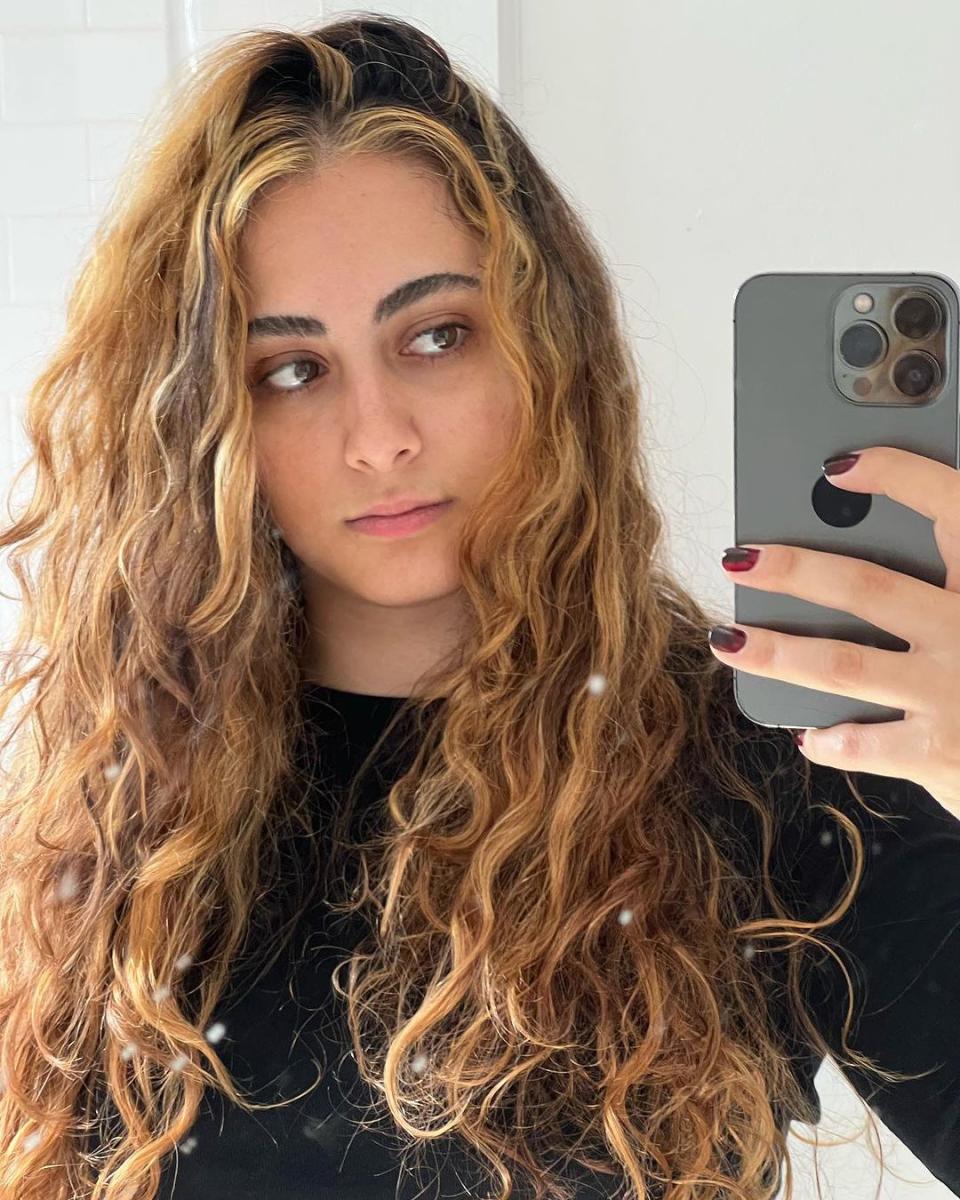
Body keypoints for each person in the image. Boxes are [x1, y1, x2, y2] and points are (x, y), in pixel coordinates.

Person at [0, 15, 957, 1200]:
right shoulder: (99, 803)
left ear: (544, 348)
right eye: (291, 369)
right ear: (203, 419)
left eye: (436, 335)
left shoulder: (774, 772)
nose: (380, 437)